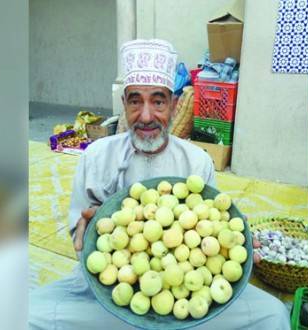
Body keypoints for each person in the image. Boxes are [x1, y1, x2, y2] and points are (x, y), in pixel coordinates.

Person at [29, 39, 290, 329]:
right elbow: (80, 235)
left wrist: (231, 242)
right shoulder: (96, 156)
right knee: (27, 316)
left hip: (188, 291)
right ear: (124, 104)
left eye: (158, 101)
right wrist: (84, 232)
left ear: (174, 105)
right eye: (135, 101)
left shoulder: (196, 162)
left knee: (272, 316)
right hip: (110, 290)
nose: (146, 116)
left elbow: (213, 229)